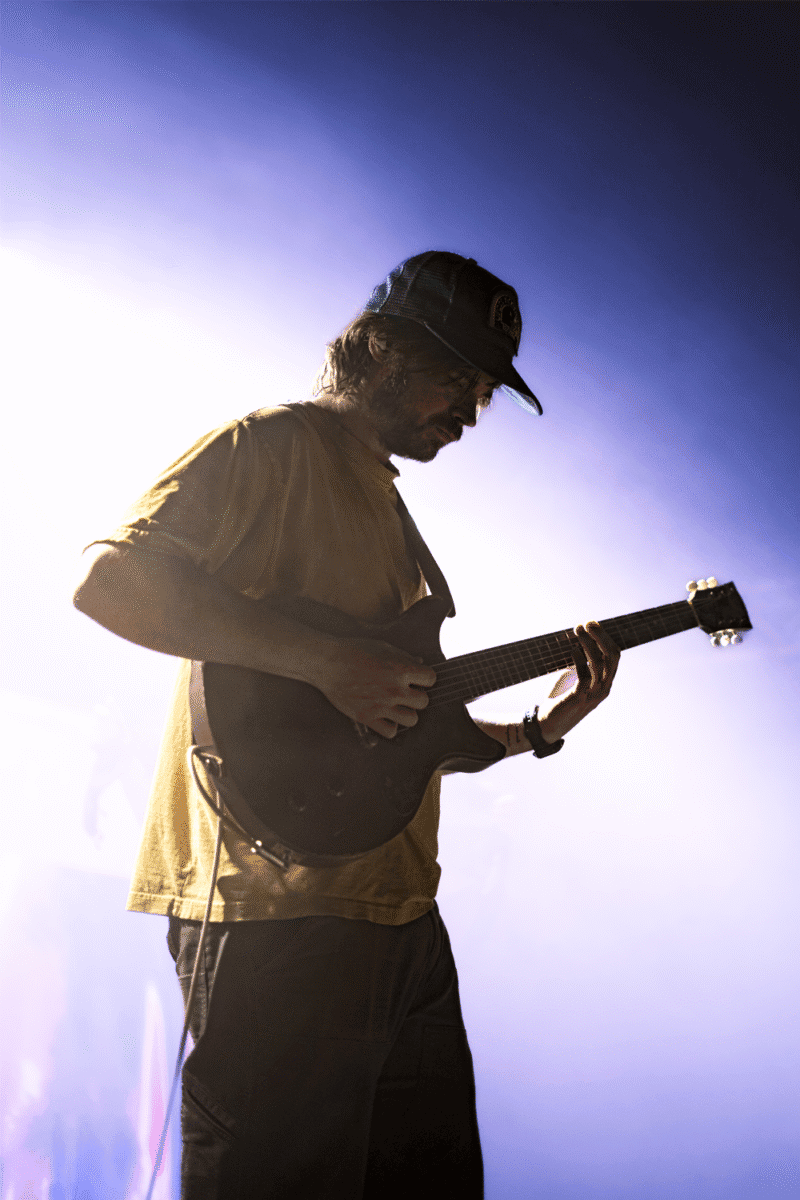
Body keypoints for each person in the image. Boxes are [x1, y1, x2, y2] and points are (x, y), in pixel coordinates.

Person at [73, 251, 620, 1198]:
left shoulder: (390, 506)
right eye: (459, 377)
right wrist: (327, 663)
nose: (473, 410)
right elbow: (109, 582)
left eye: (485, 392)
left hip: (402, 918)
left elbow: (399, 734)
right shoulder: (270, 446)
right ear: (382, 349)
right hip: (275, 914)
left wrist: (538, 728)